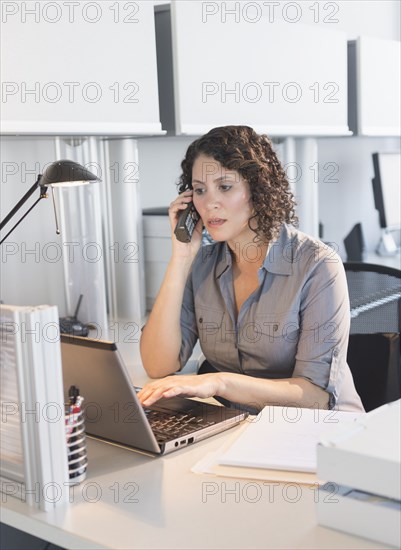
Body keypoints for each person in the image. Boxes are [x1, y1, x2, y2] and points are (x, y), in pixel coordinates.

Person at [138, 126, 364, 413]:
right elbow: (158, 364)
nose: (209, 203)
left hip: (322, 434)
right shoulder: (202, 264)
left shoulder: (317, 265)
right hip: (243, 427)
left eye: (225, 186)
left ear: (257, 189)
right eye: (199, 190)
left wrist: (220, 383)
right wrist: (180, 258)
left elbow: (316, 397)